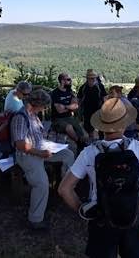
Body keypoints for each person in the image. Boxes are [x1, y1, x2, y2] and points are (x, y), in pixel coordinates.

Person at [58, 98, 139, 258]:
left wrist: (84, 210)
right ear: (125, 123)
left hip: (101, 218)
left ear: (101, 125)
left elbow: (64, 189)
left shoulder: (89, 152)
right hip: (134, 216)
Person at [12, 89, 75, 230]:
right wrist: (41, 153)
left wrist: (48, 144)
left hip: (40, 150)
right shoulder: (20, 117)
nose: (45, 109)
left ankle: (66, 188)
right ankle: (35, 220)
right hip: (28, 156)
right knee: (41, 184)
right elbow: (20, 145)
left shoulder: (33, 115)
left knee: (68, 154)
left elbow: (37, 135)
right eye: (44, 106)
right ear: (36, 104)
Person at [51, 73, 88, 146]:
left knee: (85, 135)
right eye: (68, 80)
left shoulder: (69, 91)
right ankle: (80, 143)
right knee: (69, 127)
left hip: (69, 117)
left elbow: (76, 106)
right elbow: (59, 110)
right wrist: (70, 107)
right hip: (58, 119)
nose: (70, 81)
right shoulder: (55, 93)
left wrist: (65, 106)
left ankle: (81, 144)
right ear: (62, 81)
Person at [78, 69, 108, 139]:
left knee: (100, 129)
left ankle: (101, 141)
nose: (93, 79)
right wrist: (79, 112)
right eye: (91, 78)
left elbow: (105, 97)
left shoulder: (100, 86)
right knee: (89, 129)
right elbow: (79, 100)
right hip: (87, 112)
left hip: (98, 110)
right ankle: (91, 142)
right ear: (87, 78)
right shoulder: (83, 88)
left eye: (94, 78)